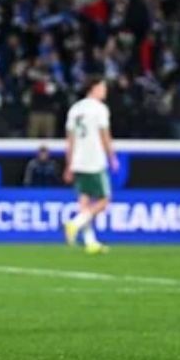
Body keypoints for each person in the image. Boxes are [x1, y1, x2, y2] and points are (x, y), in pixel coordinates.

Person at [62, 77, 119, 255]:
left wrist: (69, 164)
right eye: (102, 87)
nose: (105, 90)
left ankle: (90, 242)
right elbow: (104, 135)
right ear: (93, 88)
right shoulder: (100, 109)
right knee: (104, 200)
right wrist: (112, 157)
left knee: (84, 201)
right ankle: (75, 223)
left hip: (78, 160)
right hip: (94, 160)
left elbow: (70, 140)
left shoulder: (75, 109)